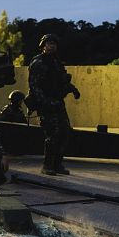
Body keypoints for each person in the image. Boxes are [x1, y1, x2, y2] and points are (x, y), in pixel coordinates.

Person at [27, 33, 80, 175]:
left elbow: (62, 82)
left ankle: (57, 164)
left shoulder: (56, 63)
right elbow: (34, 86)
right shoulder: (38, 62)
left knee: (65, 131)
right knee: (53, 134)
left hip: (57, 102)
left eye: (54, 44)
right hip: (46, 104)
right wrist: (45, 102)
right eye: (49, 44)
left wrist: (73, 90)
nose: (52, 46)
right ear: (43, 46)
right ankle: (47, 165)